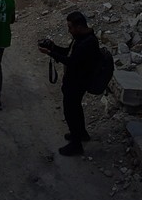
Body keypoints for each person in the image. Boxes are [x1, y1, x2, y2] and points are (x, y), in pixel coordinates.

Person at [39, 11, 100, 157]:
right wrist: (53, 47)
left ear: (79, 27)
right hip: (75, 81)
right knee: (76, 108)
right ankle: (81, 133)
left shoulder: (87, 43)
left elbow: (71, 62)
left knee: (70, 112)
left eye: (70, 27)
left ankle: (76, 144)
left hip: (77, 82)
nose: (69, 31)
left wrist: (50, 54)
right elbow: (69, 53)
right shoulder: (81, 38)